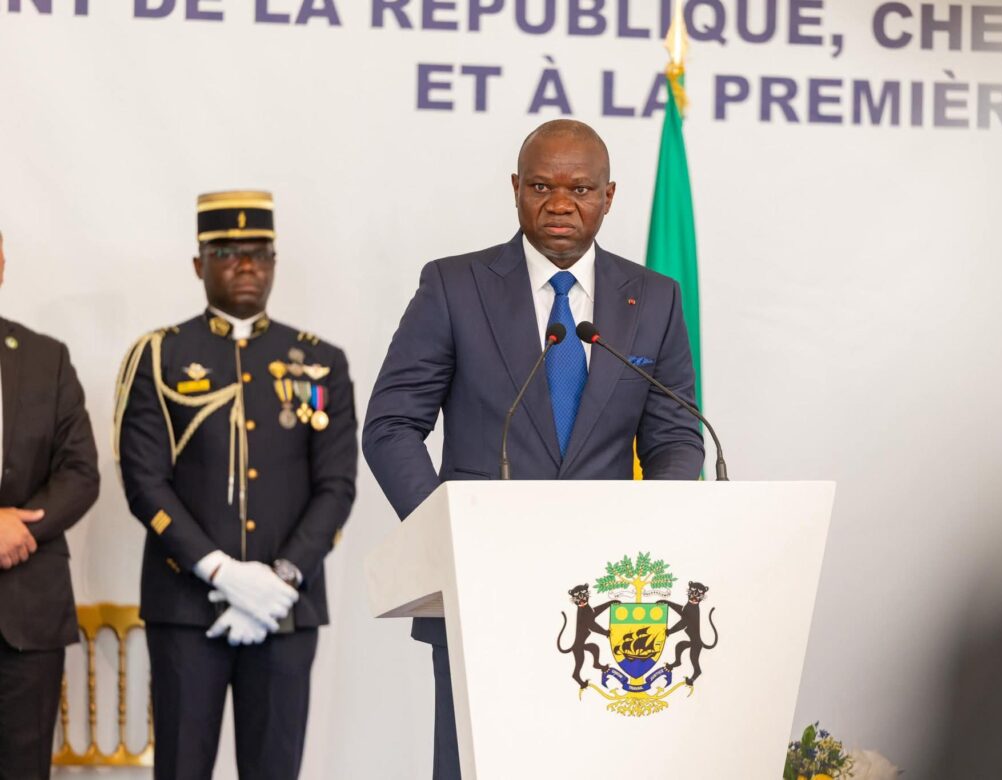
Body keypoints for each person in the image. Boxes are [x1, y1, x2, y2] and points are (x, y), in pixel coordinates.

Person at [363, 120, 705, 779]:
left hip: (610, 600)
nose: (560, 203)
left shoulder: (655, 299)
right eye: (542, 186)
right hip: (480, 585)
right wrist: (446, 538)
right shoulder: (454, 285)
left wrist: (646, 534)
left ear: (609, 196)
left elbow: (675, 436)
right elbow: (391, 425)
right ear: (516, 189)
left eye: (581, 189)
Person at [114, 192, 357, 780]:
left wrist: (279, 580)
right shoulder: (160, 355)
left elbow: (337, 486)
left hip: (284, 610)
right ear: (199, 263)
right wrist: (223, 573)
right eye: (228, 253)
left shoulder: (321, 361)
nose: (247, 265)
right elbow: (144, 480)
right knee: (181, 768)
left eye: (259, 253)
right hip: (185, 607)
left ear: (274, 262)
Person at [0, 229, 101, 779]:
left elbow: (80, 473)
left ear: (1, 264)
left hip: (27, 617)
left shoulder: (46, 359)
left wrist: (19, 530)